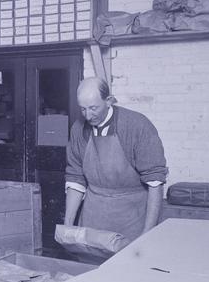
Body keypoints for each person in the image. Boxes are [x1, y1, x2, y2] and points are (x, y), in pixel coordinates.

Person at [64, 78, 167, 243]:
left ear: (109, 101)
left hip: (133, 218)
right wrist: (68, 226)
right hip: (93, 216)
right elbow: (76, 179)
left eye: (93, 108)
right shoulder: (78, 128)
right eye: (83, 110)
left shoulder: (137, 125)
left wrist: (147, 234)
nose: (88, 116)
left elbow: (155, 182)